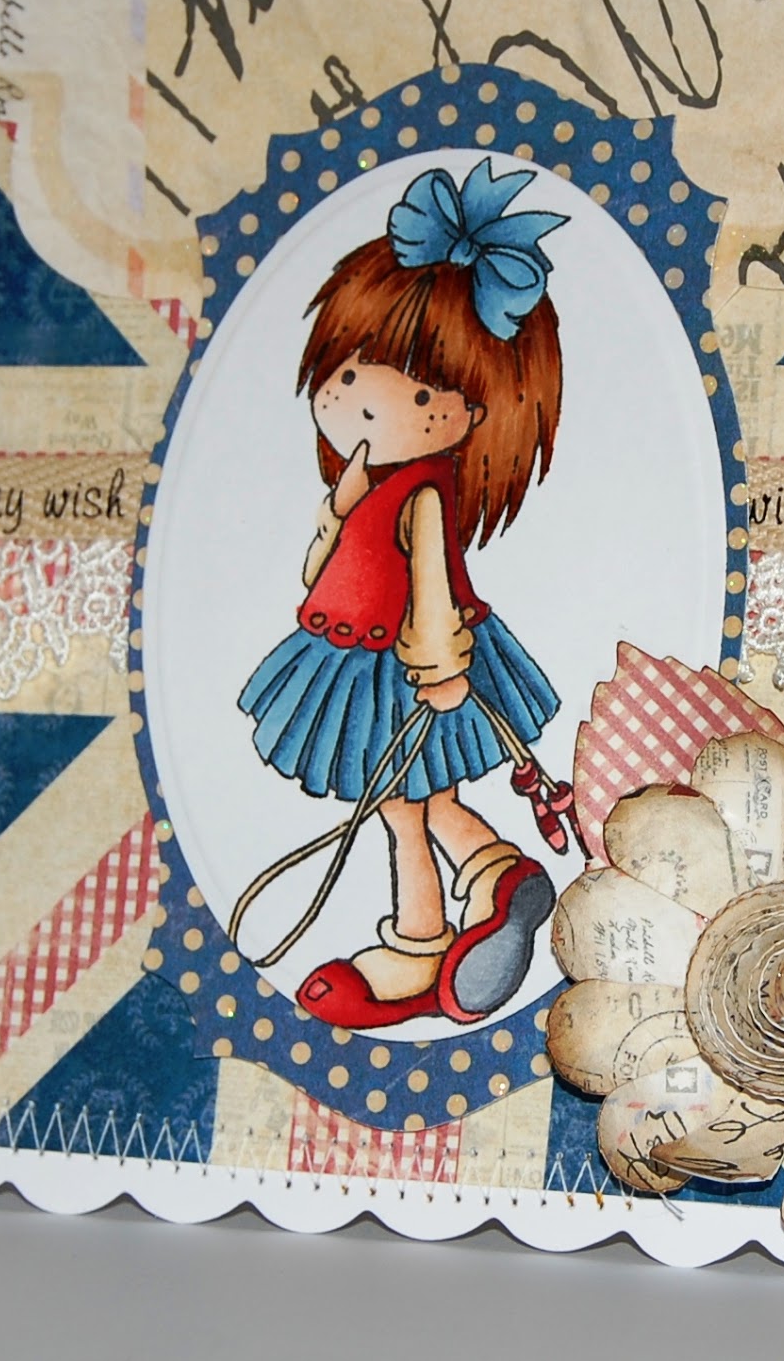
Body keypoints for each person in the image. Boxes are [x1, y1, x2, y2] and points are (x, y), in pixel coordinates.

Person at [239, 159, 566, 1029]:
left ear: (472, 415)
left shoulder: (423, 492)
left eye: (418, 392)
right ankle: (499, 877)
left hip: (401, 663)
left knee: (400, 805)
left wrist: (441, 663)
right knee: (427, 797)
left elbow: (432, 583)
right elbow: (324, 568)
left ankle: (420, 943)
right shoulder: (370, 481)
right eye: (349, 374)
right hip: (355, 646)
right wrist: (337, 509)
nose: (364, 401)